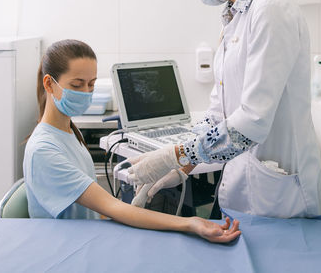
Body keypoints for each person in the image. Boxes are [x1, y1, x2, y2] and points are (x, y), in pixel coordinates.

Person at [127, 0, 321, 218]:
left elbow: (252, 123)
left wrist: (176, 154)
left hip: (278, 190)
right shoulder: (235, 14)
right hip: (243, 178)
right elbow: (218, 112)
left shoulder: (272, 8)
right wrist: (182, 166)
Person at [23, 39, 240, 243]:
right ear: (49, 84)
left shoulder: (68, 131)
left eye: (91, 84)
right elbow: (111, 206)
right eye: (77, 85)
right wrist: (189, 223)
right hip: (64, 246)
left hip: (86, 234)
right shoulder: (44, 150)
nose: (86, 93)